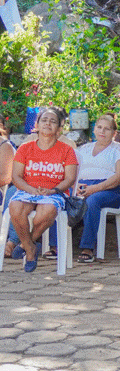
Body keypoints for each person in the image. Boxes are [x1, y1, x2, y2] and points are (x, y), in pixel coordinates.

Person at [7, 107, 78, 272]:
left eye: (53, 121)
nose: (48, 123)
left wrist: (52, 190)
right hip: (28, 189)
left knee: (47, 211)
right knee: (15, 207)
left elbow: (70, 178)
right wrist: (30, 189)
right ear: (37, 125)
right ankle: (31, 248)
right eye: (44, 120)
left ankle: (27, 245)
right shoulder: (25, 148)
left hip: (53, 192)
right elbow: (16, 176)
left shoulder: (67, 150)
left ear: (59, 128)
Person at [75, 114, 120, 263]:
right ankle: (55, 246)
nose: (102, 131)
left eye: (107, 129)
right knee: (59, 199)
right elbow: (71, 172)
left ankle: (87, 248)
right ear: (94, 129)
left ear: (114, 133)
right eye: (99, 127)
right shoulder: (83, 149)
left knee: (92, 201)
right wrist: (74, 187)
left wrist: (95, 188)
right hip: (82, 187)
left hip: (110, 190)